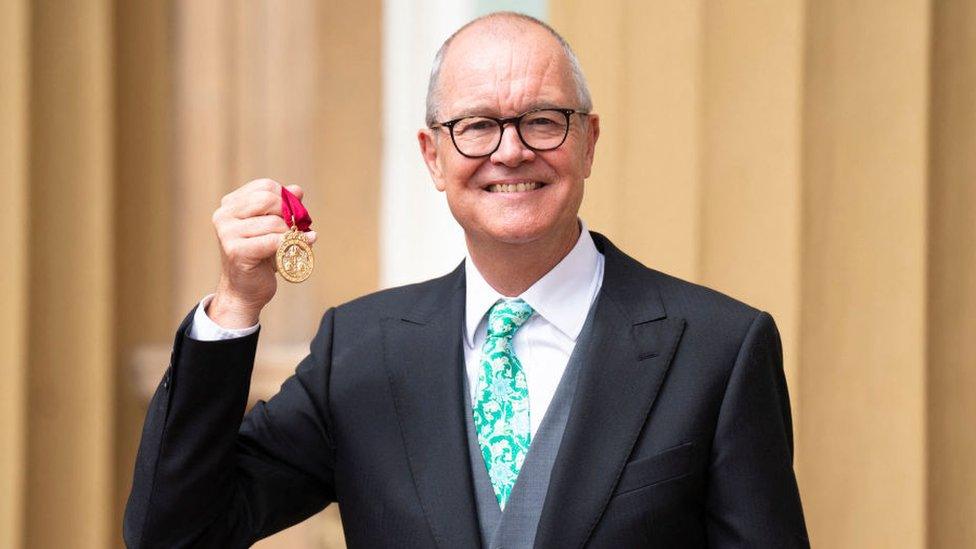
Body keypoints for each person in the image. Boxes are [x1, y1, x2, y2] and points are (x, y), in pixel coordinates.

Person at [124, 12, 808, 548]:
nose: (510, 150)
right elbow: (177, 532)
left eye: (543, 119)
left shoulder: (720, 349)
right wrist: (236, 304)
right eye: (477, 125)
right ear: (432, 155)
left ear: (589, 140)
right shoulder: (358, 351)